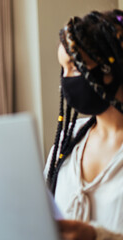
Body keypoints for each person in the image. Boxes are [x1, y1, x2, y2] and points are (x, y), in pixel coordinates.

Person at [44, 10, 123, 240]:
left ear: (112, 67)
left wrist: (95, 235)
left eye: (75, 67)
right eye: (63, 70)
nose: (65, 80)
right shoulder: (67, 142)